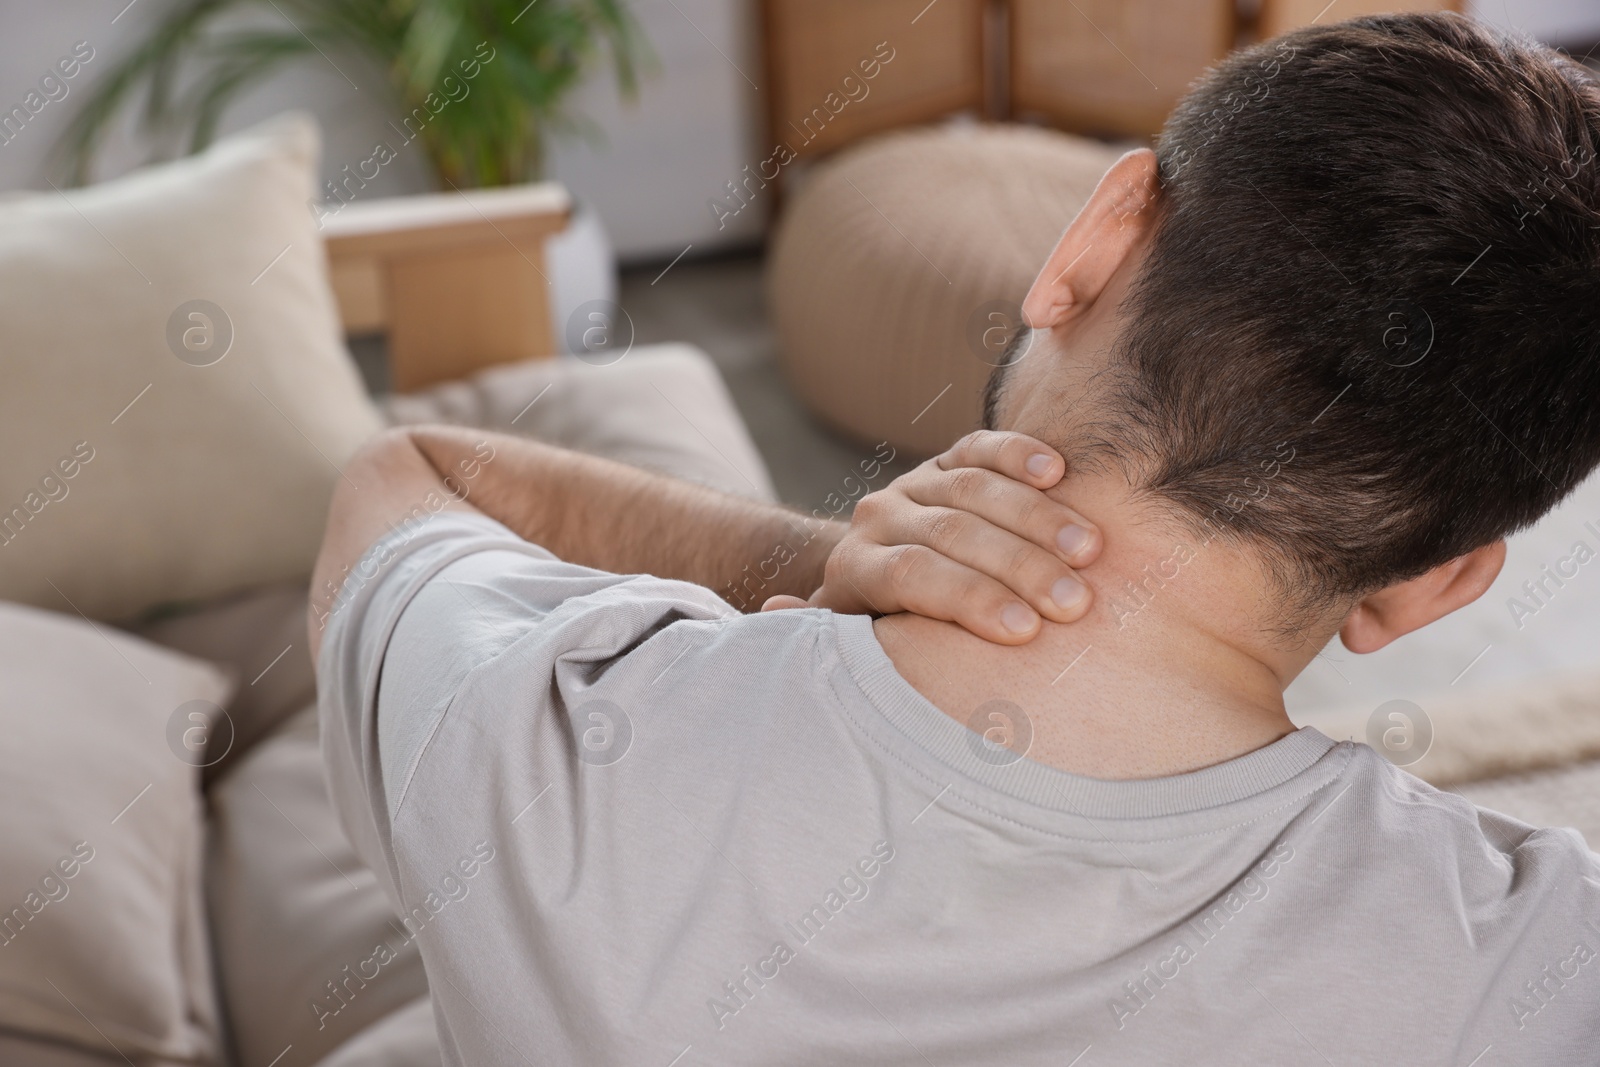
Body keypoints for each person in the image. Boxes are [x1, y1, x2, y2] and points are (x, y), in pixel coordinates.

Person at [311, 13, 1600, 1064]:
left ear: (1092, 243)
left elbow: (404, 474)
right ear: (1437, 583)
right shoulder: (1535, 973)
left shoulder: (543, 745)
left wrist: (812, 562)